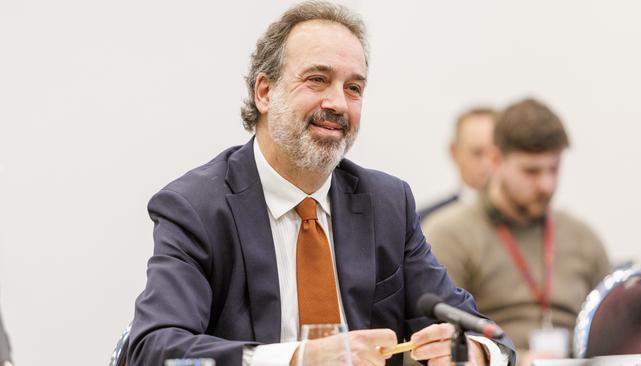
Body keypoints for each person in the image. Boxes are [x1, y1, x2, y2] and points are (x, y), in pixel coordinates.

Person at [127, 2, 515, 365]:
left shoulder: (387, 203)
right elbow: (154, 348)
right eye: (318, 79)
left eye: (354, 88)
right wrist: (300, 358)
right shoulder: (197, 206)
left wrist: (474, 353)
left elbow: (491, 339)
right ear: (265, 92)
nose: (339, 104)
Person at [421, 98, 611, 365]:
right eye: (531, 171)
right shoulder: (451, 234)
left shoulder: (582, 238)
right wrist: (514, 359)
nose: (546, 184)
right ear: (495, 160)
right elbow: (434, 344)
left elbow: (613, 331)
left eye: (553, 169)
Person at [418, 107, 496, 219]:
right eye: (477, 153)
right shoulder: (426, 221)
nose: (487, 163)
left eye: (495, 154)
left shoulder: (523, 220)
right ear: (454, 152)